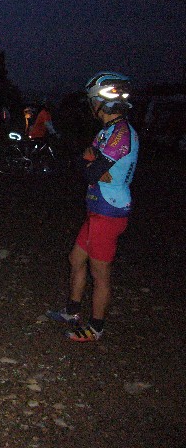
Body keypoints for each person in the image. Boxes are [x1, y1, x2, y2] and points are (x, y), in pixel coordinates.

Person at [47, 72, 138, 342]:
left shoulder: (122, 134)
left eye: (92, 101)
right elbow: (85, 164)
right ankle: (72, 312)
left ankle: (96, 327)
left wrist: (90, 164)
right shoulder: (107, 131)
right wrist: (89, 164)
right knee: (76, 260)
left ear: (101, 102)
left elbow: (89, 170)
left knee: (100, 274)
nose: (91, 106)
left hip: (109, 212)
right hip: (96, 208)